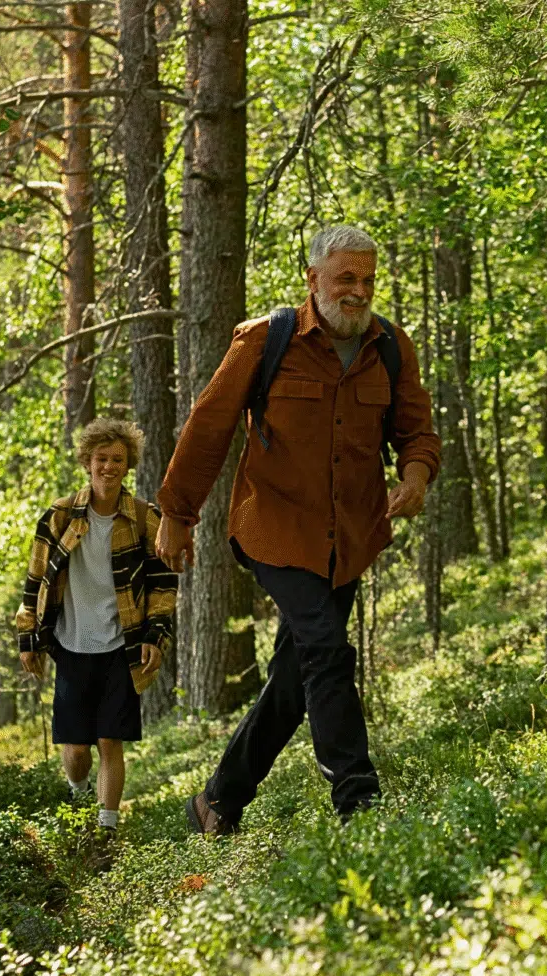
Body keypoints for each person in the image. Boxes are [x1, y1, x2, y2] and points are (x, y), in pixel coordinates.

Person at [156, 224, 441, 835]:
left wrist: (416, 477)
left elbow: (416, 430)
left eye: (368, 280)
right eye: (346, 278)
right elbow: (208, 428)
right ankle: (359, 806)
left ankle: (217, 801)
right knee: (327, 652)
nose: (358, 291)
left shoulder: (391, 346)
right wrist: (177, 516)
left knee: (296, 673)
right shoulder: (265, 340)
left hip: (350, 538)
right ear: (313, 279)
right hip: (275, 528)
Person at [16, 418, 177, 845]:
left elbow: (164, 583)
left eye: (117, 460)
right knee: (75, 750)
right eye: (101, 459)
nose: (109, 467)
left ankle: (106, 831)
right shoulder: (60, 515)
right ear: (87, 462)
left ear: (128, 464)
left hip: (122, 645)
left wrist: (155, 635)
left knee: (110, 741)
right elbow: (35, 579)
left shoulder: (143, 517)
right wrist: (28, 637)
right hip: (70, 644)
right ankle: (79, 796)